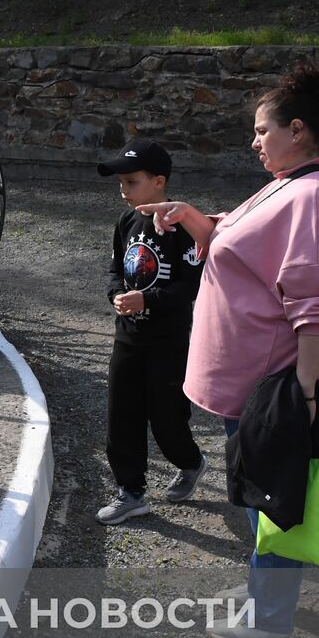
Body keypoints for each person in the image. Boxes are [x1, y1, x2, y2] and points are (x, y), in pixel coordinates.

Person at [137, 59, 319, 638]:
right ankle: (266, 594)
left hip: (275, 386)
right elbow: (244, 250)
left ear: (297, 130)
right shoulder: (288, 184)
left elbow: (315, 302)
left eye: (264, 130)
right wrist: (193, 220)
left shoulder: (311, 196)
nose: (255, 140)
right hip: (254, 383)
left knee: (272, 501)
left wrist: (306, 393)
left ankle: (271, 621)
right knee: (255, 492)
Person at [95, 139, 206, 526]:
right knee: (121, 416)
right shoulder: (126, 222)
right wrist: (117, 295)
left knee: (167, 418)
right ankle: (131, 492)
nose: (123, 189)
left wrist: (148, 300)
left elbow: (191, 287)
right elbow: (115, 270)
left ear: (159, 181)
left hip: (167, 344)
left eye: (131, 181)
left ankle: (190, 461)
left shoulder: (183, 229)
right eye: (120, 182)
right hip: (127, 339)